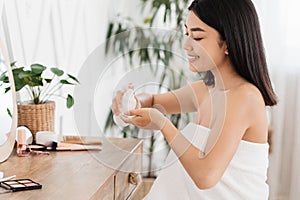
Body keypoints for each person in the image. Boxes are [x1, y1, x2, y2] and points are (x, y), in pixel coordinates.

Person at [112, 0, 277, 199]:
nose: (186, 45)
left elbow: (205, 176)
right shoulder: (205, 90)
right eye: (187, 33)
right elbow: (154, 101)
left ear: (228, 43)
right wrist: (132, 102)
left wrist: (163, 124)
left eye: (197, 37)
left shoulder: (245, 97)